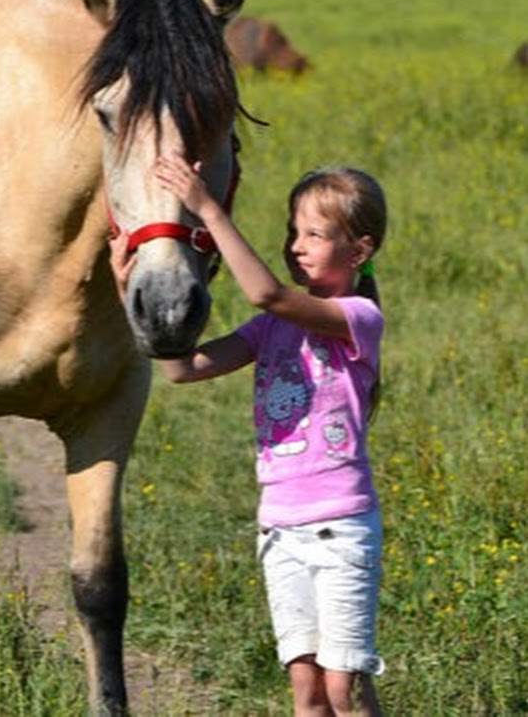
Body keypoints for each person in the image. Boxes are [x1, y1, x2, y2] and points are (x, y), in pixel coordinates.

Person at [110, 153, 388, 717]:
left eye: (313, 233)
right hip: (280, 531)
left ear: (360, 251)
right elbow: (181, 368)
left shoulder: (359, 318)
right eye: (292, 231)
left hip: (342, 528)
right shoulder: (269, 330)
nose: (296, 244)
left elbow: (268, 293)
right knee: (308, 696)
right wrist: (126, 289)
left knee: (345, 691)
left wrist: (208, 208)